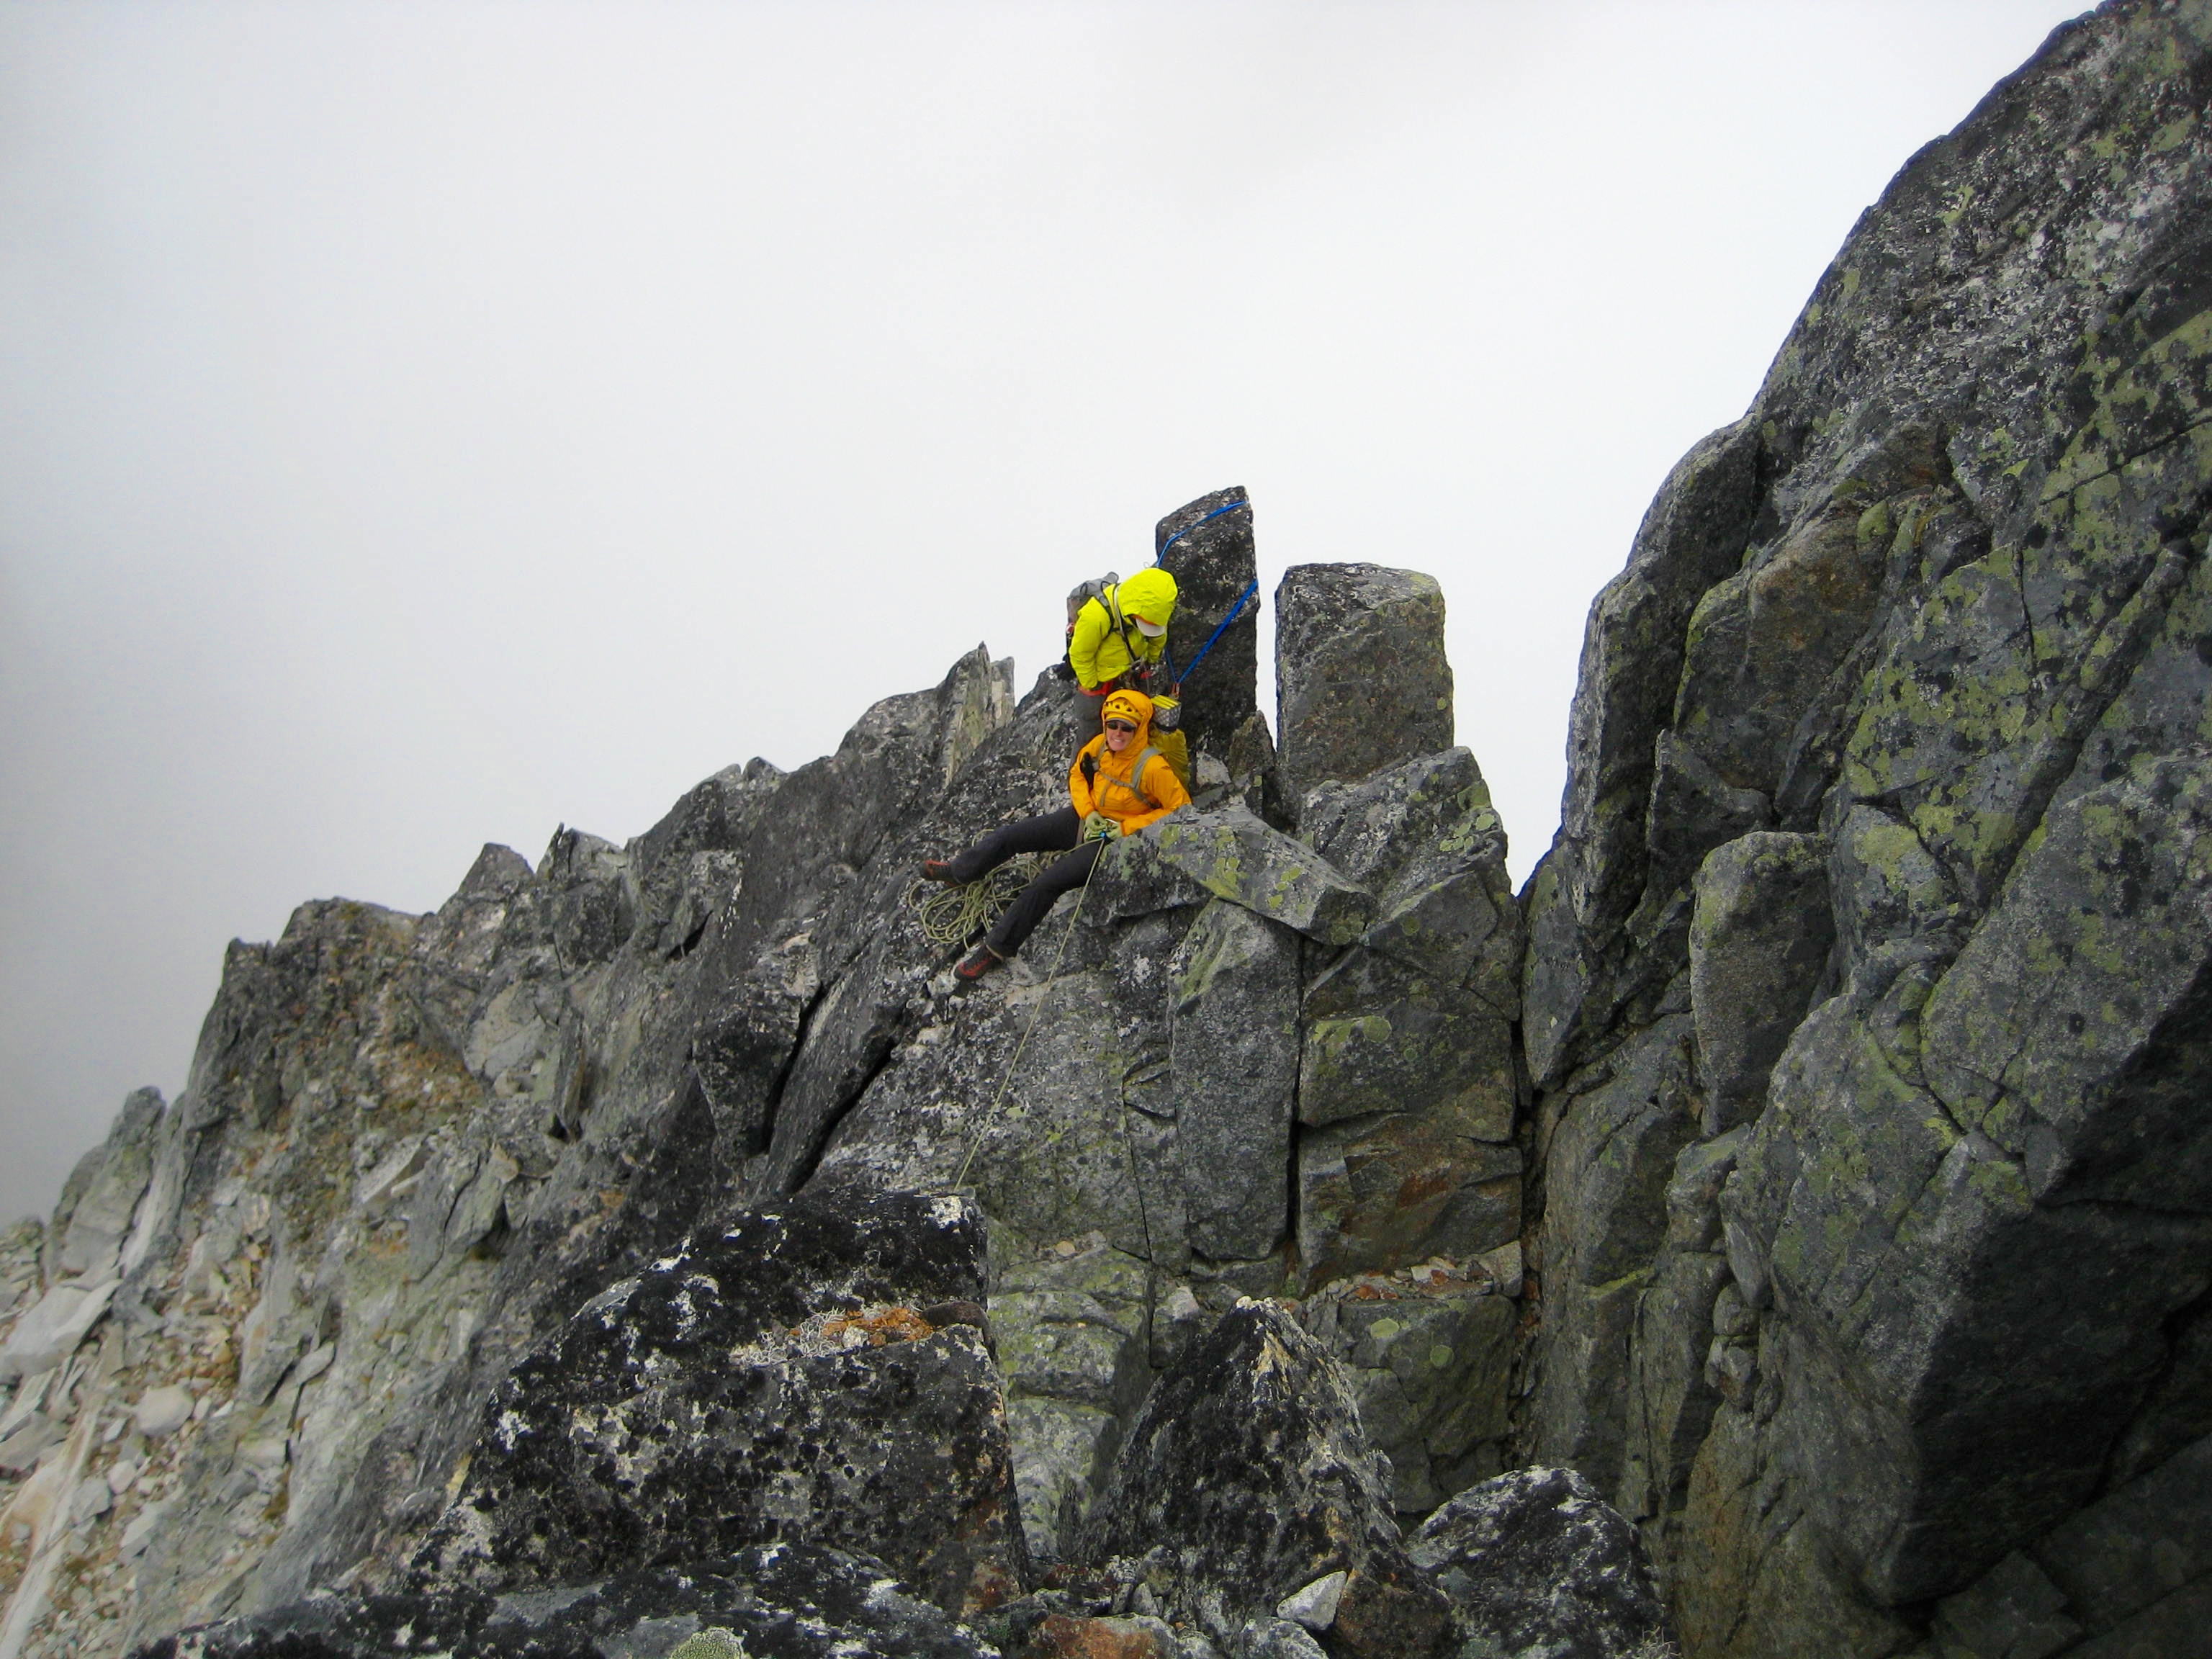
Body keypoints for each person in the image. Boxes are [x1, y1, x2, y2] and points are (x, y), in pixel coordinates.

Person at [924, 688, 1191, 981]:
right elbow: (1077, 774)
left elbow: (1180, 808)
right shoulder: (1100, 746)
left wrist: (1123, 829)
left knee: (1046, 885)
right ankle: (961, 871)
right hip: (1087, 819)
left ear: (1139, 729)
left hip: (1114, 840)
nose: (1118, 732)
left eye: (1127, 727)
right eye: (1112, 724)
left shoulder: (1152, 766)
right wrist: (1089, 813)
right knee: (1010, 836)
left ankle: (996, 949)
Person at [1067, 568, 1177, 698]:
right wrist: (1093, 685)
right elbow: (1081, 654)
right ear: (1132, 613)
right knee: (1089, 713)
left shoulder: (1158, 612)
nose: (1148, 629)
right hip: (1103, 680)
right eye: (1143, 624)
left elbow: (1158, 637)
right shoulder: (1095, 617)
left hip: (1135, 670)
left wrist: (1151, 661)